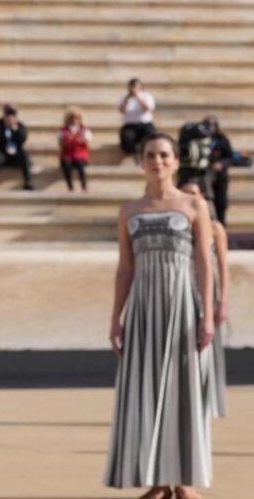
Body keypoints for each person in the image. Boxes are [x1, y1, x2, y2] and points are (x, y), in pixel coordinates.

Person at [104, 133, 215, 499]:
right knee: (147, 389)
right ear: (142, 162)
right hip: (143, 310)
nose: (158, 161)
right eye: (150, 155)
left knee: (182, 391)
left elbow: (203, 261)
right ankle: (157, 480)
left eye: (164, 155)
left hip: (182, 306)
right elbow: (125, 267)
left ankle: (183, 480)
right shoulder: (129, 210)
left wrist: (207, 314)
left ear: (176, 161)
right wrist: (116, 317)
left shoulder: (194, 206)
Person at [182, 182, 230, 420]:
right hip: (184, 289)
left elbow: (223, 268)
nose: (190, 198)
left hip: (208, 290)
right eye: (186, 194)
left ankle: (209, 399)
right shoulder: (179, 228)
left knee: (207, 346)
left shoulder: (215, 228)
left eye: (194, 194)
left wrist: (223, 303)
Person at [0, 104, 33, 190]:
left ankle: (28, 182)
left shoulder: (19, 126)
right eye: (8, 113)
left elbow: (23, 138)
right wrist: (5, 128)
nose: (10, 116)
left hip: (15, 154)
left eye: (12, 114)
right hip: (1, 153)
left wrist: (14, 129)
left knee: (24, 155)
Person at [118, 78, 156, 156]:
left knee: (152, 136)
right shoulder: (124, 98)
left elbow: (148, 108)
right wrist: (128, 99)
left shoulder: (146, 96)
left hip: (145, 124)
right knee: (126, 139)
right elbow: (122, 110)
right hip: (130, 125)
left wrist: (138, 97)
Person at [206, 116, 234, 225]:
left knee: (221, 202)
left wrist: (221, 163)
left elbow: (229, 156)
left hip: (219, 176)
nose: (210, 127)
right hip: (204, 175)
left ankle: (221, 226)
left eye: (213, 125)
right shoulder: (200, 138)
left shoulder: (222, 139)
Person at [58, 107, 91, 192]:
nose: (75, 120)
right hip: (68, 154)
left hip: (80, 154)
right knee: (66, 163)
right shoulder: (63, 130)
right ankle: (70, 186)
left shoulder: (84, 130)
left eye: (77, 118)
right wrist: (68, 139)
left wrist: (83, 140)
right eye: (73, 117)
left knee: (80, 164)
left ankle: (84, 186)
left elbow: (88, 146)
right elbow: (61, 145)